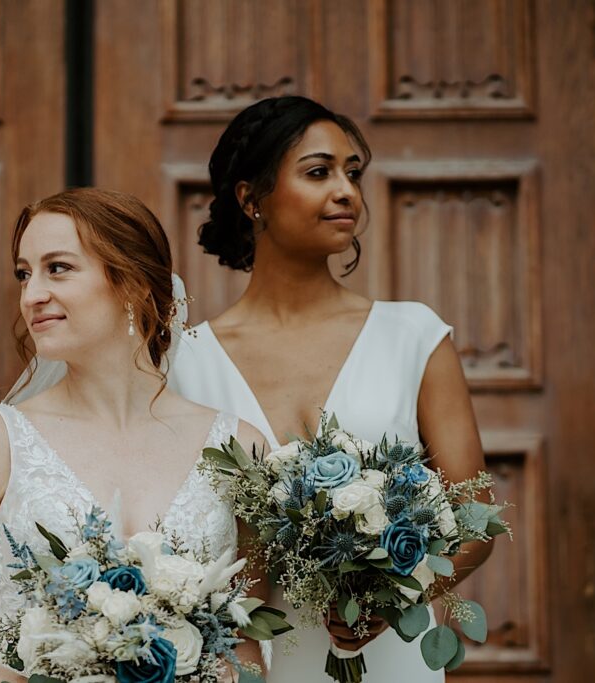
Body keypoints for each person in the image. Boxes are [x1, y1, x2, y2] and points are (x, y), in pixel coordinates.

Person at [0, 188, 267, 682]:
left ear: (132, 283)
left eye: (58, 268)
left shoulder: (238, 446)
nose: (32, 295)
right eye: (24, 274)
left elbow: (245, 642)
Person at [168, 96, 494, 682]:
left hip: (387, 657)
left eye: (353, 173)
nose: (347, 191)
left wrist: (393, 593)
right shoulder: (183, 361)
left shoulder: (413, 334)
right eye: (319, 172)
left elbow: (474, 517)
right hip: (241, 660)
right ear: (250, 199)